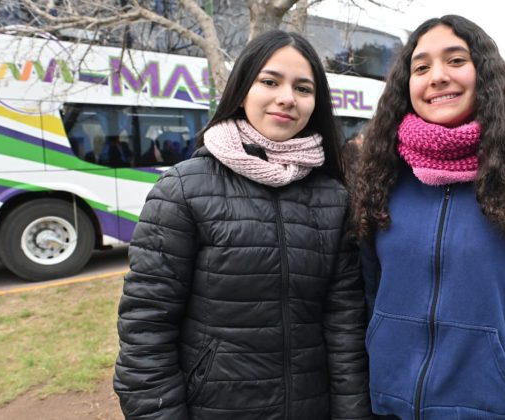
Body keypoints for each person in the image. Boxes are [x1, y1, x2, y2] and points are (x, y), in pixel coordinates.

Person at [113, 30, 372, 419]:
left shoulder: (333, 198)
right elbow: (145, 332)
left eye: (303, 88)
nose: (287, 97)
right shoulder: (184, 188)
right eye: (270, 81)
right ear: (241, 89)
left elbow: (345, 329)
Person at [351, 15, 505, 420]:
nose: (438, 76)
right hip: (388, 405)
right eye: (422, 67)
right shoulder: (379, 172)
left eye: (456, 60)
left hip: (494, 407)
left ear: (485, 73)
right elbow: (361, 296)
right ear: (405, 84)